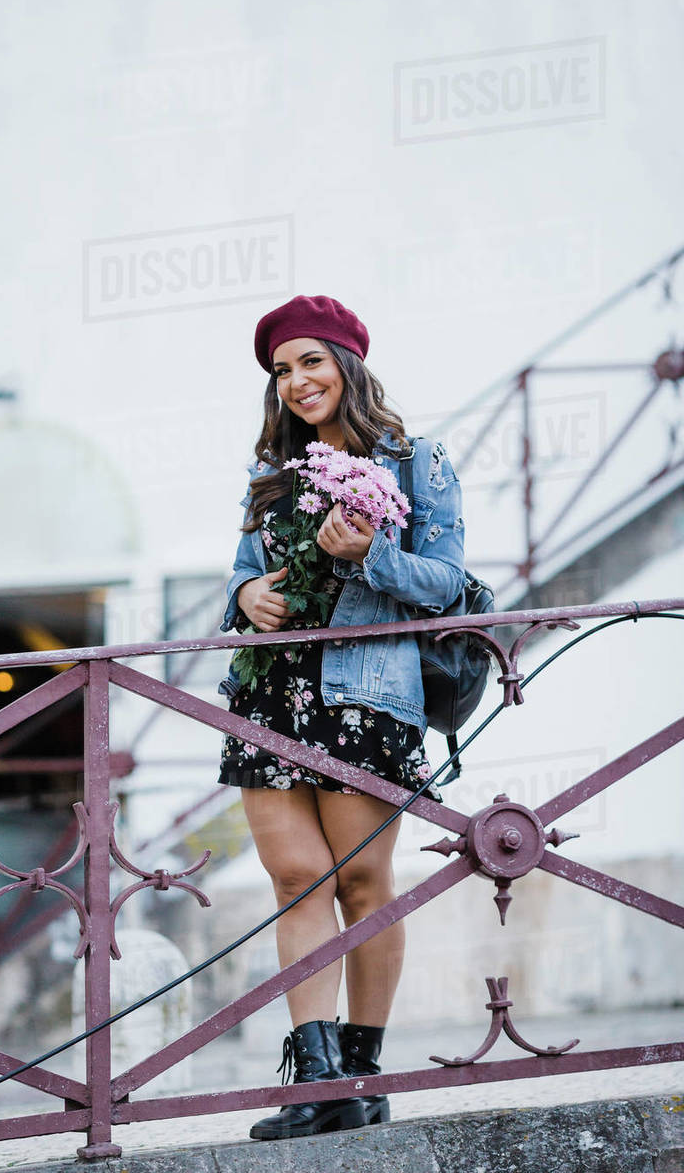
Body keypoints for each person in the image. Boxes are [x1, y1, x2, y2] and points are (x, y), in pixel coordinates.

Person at [216, 294, 465, 1141]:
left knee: (361, 884)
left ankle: (364, 1076)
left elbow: (450, 586)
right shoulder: (270, 476)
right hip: (270, 692)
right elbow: (242, 581)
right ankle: (314, 1081)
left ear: (347, 364)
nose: (295, 383)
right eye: (281, 372)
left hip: (364, 695)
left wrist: (374, 556)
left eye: (309, 362)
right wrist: (245, 596)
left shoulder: (416, 461)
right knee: (295, 878)